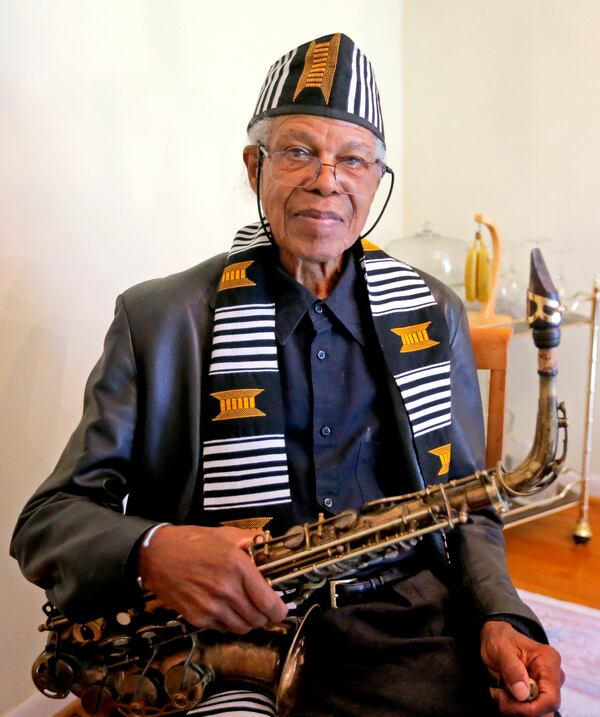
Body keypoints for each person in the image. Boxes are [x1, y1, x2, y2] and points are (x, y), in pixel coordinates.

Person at [11, 33, 563, 717]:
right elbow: (47, 521)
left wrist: (503, 616)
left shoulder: (434, 312)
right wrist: (155, 548)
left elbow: (468, 509)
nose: (327, 179)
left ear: (376, 182)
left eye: (353, 159)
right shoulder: (157, 319)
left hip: (406, 627)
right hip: (218, 642)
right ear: (254, 166)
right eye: (300, 151)